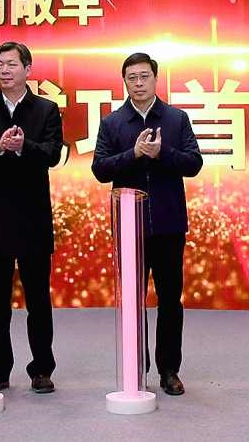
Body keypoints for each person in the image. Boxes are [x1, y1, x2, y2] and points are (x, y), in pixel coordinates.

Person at [91, 52, 203, 396]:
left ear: (156, 79)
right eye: (132, 78)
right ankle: (135, 367)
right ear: (124, 82)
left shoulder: (176, 119)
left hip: (169, 224)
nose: (138, 83)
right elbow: (100, 169)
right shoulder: (112, 123)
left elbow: (194, 163)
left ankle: (169, 369)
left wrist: (162, 154)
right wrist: (135, 154)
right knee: (132, 300)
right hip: (129, 227)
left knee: (170, 300)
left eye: (144, 77)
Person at [0, 41, 64, 393]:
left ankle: (42, 369)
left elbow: (53, 153)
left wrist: (23, 148)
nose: (4, 70)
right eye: (0, 64)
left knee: (38, 300)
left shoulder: (47, 109)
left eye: (11, 64)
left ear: (27, 69)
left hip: (33, 216)